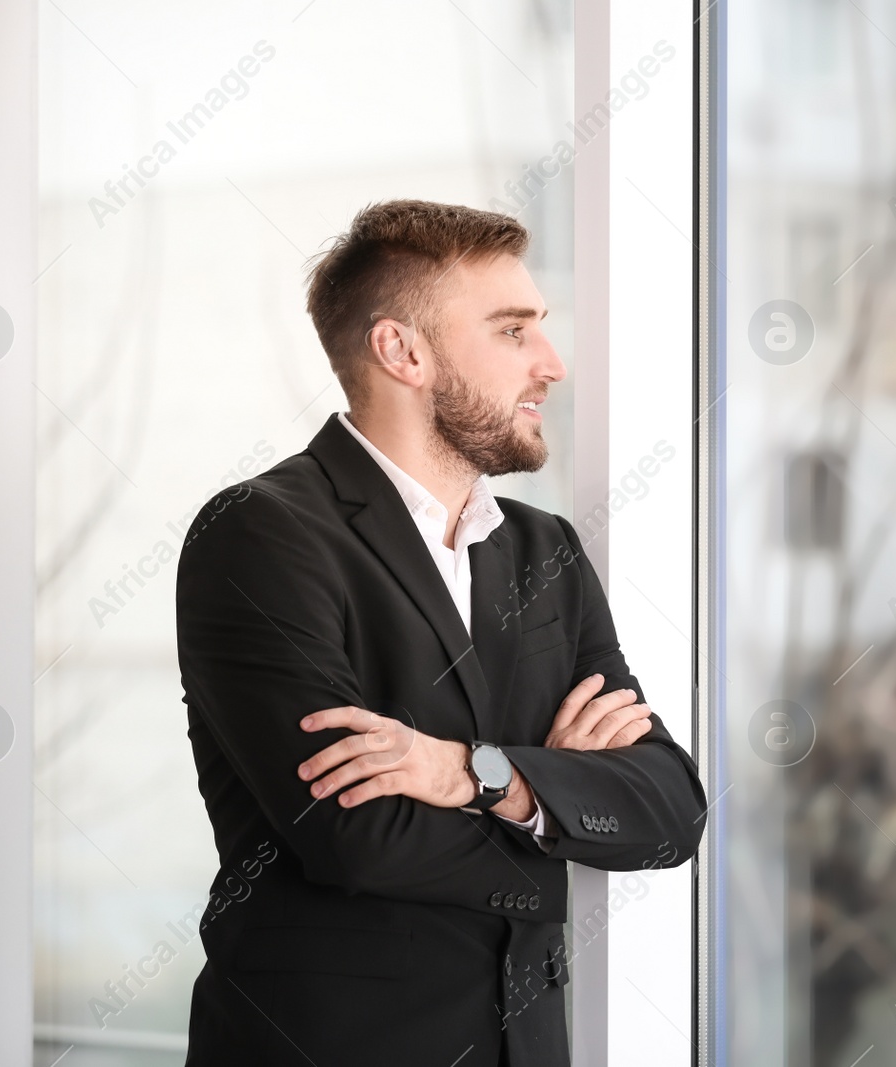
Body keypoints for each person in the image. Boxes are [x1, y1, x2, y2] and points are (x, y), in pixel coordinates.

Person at [175, 199, 707, 1066]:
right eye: (512, 331)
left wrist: (467, 770)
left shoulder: (545, 549)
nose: (552, 363)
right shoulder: (259, 533)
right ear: (403, 351)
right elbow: (355, 834)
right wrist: (556, 797)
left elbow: (671, 810)